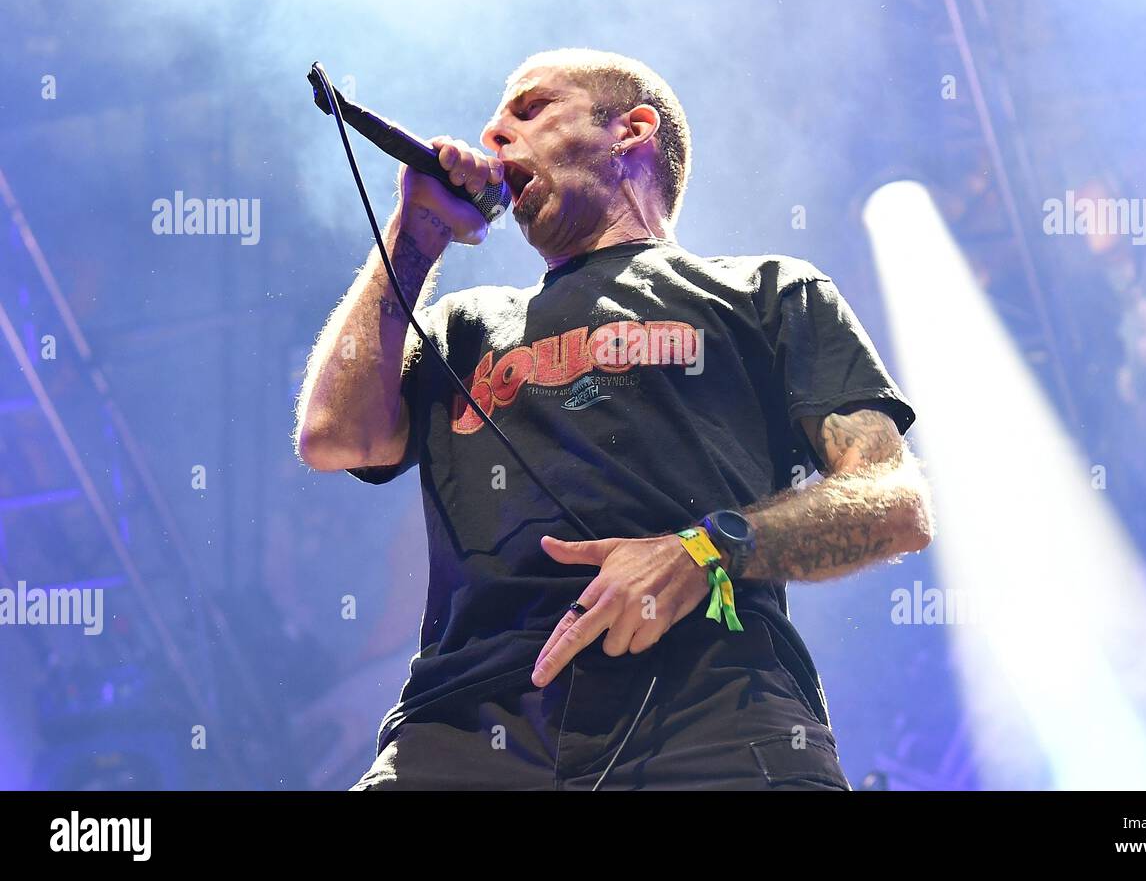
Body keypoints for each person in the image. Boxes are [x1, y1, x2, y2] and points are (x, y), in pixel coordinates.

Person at [293, 48, 934, 790]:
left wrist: (704, 551)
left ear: (631, 130)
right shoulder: (462, 326)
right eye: (493, 125)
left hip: (714, 715)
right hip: (464, 729)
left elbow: (895, 503)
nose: (494, 138)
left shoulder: (766, 291)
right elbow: (334, 437)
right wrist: (418, 230)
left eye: (530, 110)